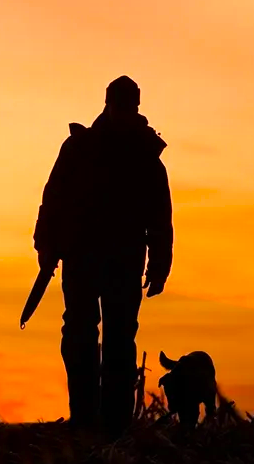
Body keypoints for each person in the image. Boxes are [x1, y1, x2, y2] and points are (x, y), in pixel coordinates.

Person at [33, 75, 173, 437]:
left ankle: (115, 423)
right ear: (107, 104)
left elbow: (160, 215)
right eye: (119, 105)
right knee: (79, 334)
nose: (124, 112)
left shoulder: (147, 157)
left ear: (136, 107)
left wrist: (159, 264)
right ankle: (84, 417)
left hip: (125, 261)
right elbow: (53, 199)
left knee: (119, 339)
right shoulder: (79, 148)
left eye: (130, 106)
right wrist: (46, 245)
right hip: (81, 256)